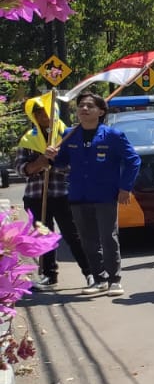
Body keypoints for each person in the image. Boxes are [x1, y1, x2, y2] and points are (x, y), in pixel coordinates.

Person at [45, 93, 139, 295]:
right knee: (87, 239)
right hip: (78, 195)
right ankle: (99, 279)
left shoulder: (113, 135)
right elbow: (61, 163)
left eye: (90, 106)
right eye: (80, 106)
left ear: (101, 111)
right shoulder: (70, 134)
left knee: (108, 237)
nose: (84, 109)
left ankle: (115, 280)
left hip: (105, 195)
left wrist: (125, 187)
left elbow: (133, 160)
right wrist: (52, 156)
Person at [15, 97, 89, 288]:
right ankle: (49, 275)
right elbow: (20, 168)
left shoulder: (67, 136)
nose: (43, 116)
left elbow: (78, 166)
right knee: (43, 237)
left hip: (63, 194)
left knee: (73, 235)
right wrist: (38, 163)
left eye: (46, 112)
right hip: (36, 196)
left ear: (54, 112)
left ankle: (90, 273)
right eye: (38, 113)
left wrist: (57, 160)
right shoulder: (28, 139)